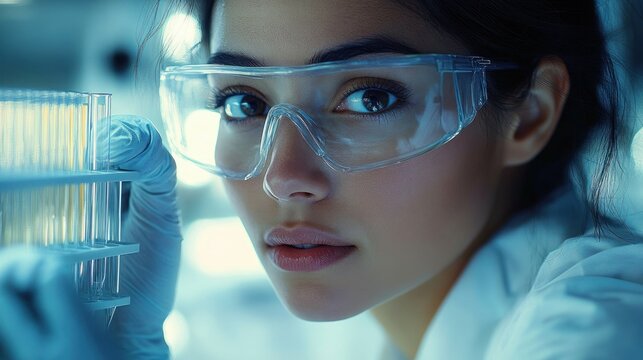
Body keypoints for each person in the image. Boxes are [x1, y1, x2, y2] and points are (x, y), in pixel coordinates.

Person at [1, 0, 642, 359]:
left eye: (369, 99)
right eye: (243, 103)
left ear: (527, 113)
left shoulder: (599, 331)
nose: (284, 178)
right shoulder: (368, 329)